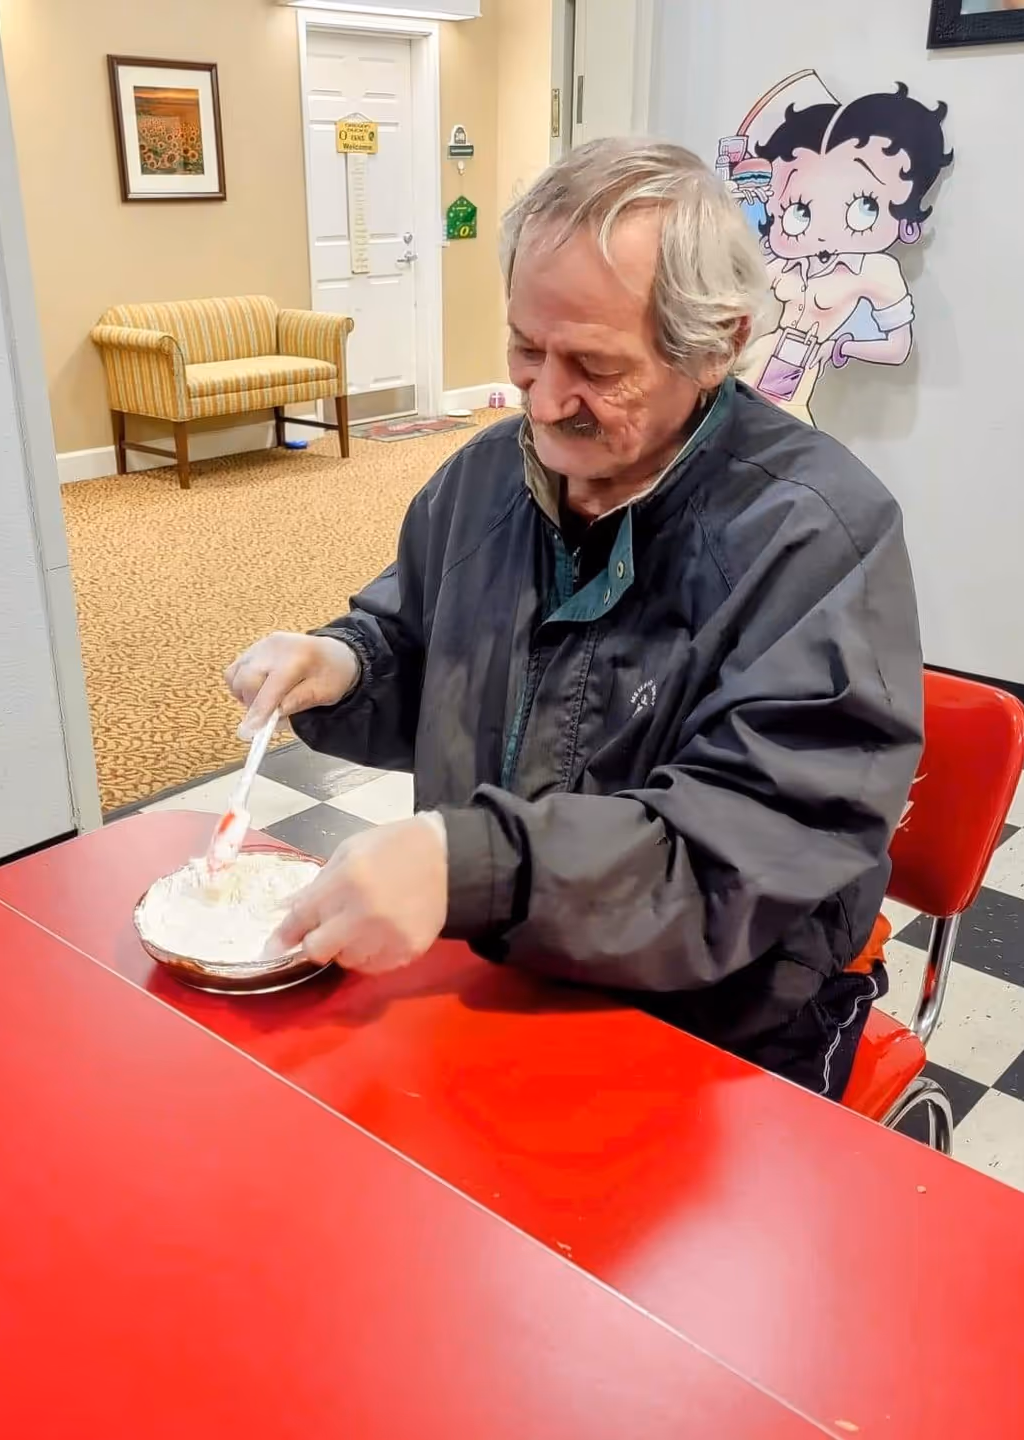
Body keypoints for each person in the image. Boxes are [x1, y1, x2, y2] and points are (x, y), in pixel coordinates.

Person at [224, 139, 923, 1098]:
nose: (544, 401)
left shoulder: (816, 536)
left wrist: (466, 866)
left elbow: (736, 852)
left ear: (716, 345)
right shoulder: (485, 479)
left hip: (725, 1015)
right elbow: (419, 643)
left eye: (594, 364)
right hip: (503, 962)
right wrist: (344, 661)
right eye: (524, 346)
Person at [747, 84, 952, 427]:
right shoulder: (785, 261)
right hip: (749, 369)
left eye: (864, 207)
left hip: (797, 382)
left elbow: (897, 347)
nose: (823, 231)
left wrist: (840, 346)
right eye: (799, 211)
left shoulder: (875, 271)